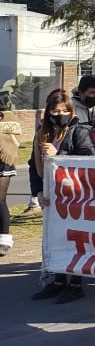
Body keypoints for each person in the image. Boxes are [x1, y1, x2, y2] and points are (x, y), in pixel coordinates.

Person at [30, 90, 95, 302]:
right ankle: (58, 280)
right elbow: (34, 165)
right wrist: (38, 191)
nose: (60, 114)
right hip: (52, 195)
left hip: (75, 194)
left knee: (76, 240)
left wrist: (58, 156)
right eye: (55, 111)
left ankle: (75, 283)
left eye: (64, 110)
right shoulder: (42, 132)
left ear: (71, 111)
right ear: (48, 112)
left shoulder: (80, 131)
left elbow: (89, 158)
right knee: (56, 238)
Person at [0, 103, 20, 256]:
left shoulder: (7, 118)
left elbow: (12, 140)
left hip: (3, 161)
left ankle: (4, 237)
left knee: (0, 200)